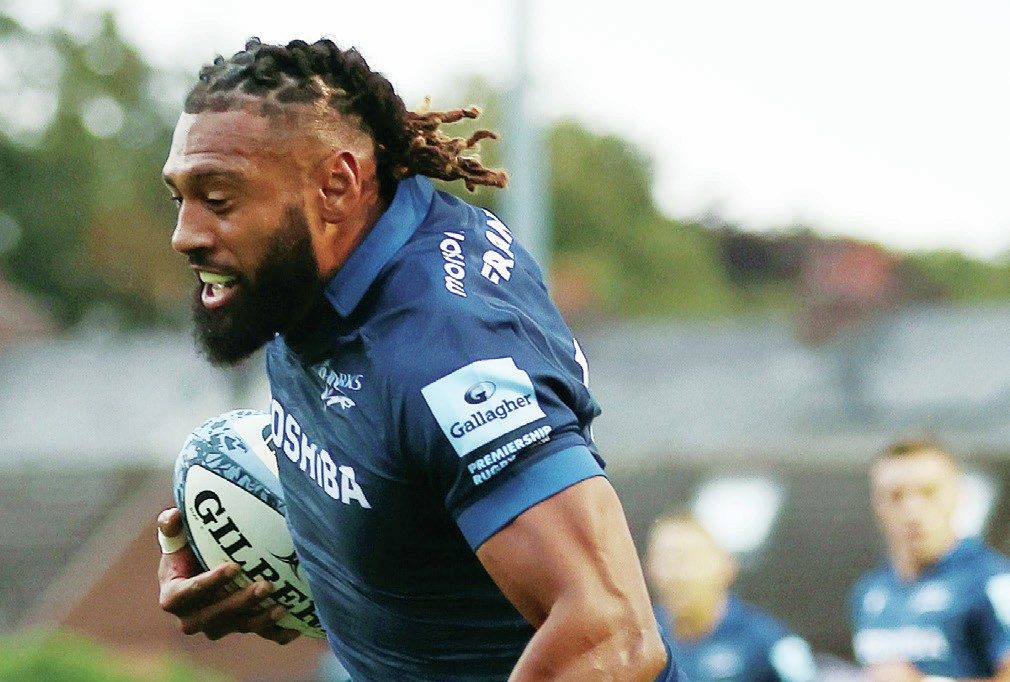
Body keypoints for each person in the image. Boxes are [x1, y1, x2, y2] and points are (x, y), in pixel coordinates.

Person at [155, 37, 682, 682]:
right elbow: (399, 473)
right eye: (179, 197)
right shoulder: (318, 273)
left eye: (219, 199)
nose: (184, 235)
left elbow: (613, 635)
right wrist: (281, 574)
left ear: (337, 185)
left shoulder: (449, 351)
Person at [850, 439, 1010, 681]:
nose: (912, 511)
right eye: (896, 496)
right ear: (877, 504)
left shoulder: (993, 582)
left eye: (929, 492)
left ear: (958, 496)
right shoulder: (869, 592)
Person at [645, 514, 818, 682]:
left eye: (691, 558)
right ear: (647, 568)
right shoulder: (641, 642)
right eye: (667, 559)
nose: (679, 574)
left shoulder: (770, 641)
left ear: (726, 566)